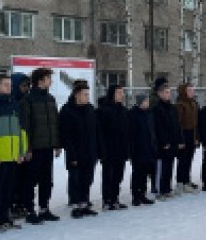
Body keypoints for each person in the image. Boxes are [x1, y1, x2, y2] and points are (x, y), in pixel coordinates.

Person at [0, 74, 29, 232]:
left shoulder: (14, 104)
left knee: (9, 189)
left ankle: (6, 217)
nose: (9, 87)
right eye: (5, 85)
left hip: (13, 155)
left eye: (10, 85)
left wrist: (21, 151)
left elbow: (21, 130)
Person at [21, 68, 62, 224]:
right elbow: (25, 126)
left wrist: (57, 144)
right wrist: (28, 148)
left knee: (47, 180)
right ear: (40, 81)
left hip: (48, 147)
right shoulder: (28, 100)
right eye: (48, 78)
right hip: (34, 148)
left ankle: (44, 208)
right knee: (30, 181)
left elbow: (55, 123)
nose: (50, 81)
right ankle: (29, 210)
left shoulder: (50, 99)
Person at [60, 83, 99, 218]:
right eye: (85, 94)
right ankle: (76, 205)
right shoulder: (67, 110)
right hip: (76, 153)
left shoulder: (90, 109)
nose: (87, 97)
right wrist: (72, 155)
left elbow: (95, 132)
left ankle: (84, 203)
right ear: (77, 95)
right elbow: (66, 136)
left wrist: (96, 151)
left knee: (87, 179)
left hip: (90, 152)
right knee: (76, 179)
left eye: (88, 94)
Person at [97, 85, 130, 211]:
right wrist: (102, 150)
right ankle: (107, 200)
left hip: (121, 149)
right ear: (112, 94)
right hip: (108, 150)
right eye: (119, 92)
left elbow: (127, 132)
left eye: (122, 92)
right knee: (108, 176)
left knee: (118, 176)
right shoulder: (103, 110)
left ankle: (115, 198)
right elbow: (100, 132)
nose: (122, 95)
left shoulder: (124, 111)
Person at [152, 83, 184, 200]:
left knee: (170, 167)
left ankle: (167, 188)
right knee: (162, 168)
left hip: (173, 142)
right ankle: (159, 190)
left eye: (169, 92)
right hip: (163, 144)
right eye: (166, 92)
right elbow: (158, 127)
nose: (168, 94)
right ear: (160, 94)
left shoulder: (172, 108)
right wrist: (164, 142)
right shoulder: (157, 108)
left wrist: (180, 140)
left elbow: (177, 125)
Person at [129, 95, 156, 206]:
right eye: (145, 101)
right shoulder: (133, 114)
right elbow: (131, 133)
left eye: (147, 101)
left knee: (145, 173)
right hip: (138, 149)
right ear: (140, 102)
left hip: (149, 148)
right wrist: (132, 149)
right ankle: (135, 196)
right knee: (137, 173)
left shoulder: (149, 113)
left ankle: (143, 194)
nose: (147, 103)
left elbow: (152, 130)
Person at [10, 72, 31, 220]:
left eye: (27, 85)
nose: (26, 88)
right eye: (23, 85)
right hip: (11, 147)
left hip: (25, 145)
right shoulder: (10, 102)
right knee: (13, 179)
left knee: (25, 178)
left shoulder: (27, 101)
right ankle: (12, 205)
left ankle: (22, 203)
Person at [175, 83, 200, 194]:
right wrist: (180, 139)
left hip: (192, 134)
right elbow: (178, 123)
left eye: (192, 90)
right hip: (184, 134)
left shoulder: (194, 103)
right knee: (183, 159)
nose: (192, 92)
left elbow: (197, 122)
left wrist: (196, 137)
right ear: (184, 92)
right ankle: (181, 182)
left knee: (189, 158)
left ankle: (186, 180)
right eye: (189, 90)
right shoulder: (180, 104)